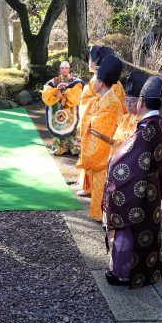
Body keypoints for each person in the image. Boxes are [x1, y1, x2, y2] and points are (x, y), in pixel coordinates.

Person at [103, 76, 162, 288]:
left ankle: (122, 273)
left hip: (137, 189)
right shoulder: (160, 124)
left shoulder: (145, 131)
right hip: (151, 187)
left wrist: (112, 174)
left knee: (127, 228)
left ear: (142, 101)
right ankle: (144, 271)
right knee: (146, 231)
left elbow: (125, 165)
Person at [76, 52, 126, 222]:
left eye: (96, 80)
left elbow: (99, 128)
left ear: (101, 82)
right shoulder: (102, 98)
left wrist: (88, 122)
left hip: (105, 152)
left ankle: (105, 215)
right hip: (101, 151)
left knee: (104, 183)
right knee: (99, 183)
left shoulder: (111, 102)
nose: (93, 83)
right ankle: (101, 214)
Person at [77, 47, 116, 196]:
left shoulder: (100, 81)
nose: (89, 62)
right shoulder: (100, 79)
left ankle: (95, 190)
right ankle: (90, 187)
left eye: (90, 59)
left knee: (99, 159)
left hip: (102, 125)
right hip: (98, 122)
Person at [42, 60, 86, 156]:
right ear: (59, 69)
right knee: (59, 126)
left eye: (66, 68)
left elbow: (77, 93)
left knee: (72, 126)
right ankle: (60, 147)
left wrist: (65, 96)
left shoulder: (74, 81)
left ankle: (73, 147)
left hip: (70, 109)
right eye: (62, 68)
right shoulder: (55, 81)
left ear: (69, 69)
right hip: (58, 109)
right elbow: (47, 90)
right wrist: (56, 94)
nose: (64, 70)